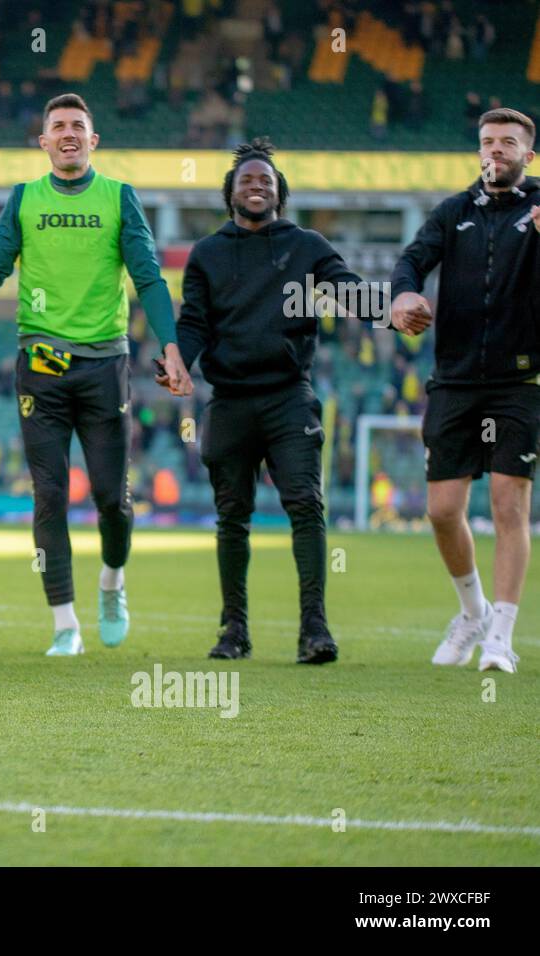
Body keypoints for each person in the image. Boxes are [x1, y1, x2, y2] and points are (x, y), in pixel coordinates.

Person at [0, 93, 191, 657]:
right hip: (40, 366)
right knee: (49, 497)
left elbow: (149, 279)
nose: (68, 133)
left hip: (106, 365)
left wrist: (172, 347)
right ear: (44, 141)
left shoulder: (120, 198)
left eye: (79, 125)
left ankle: (112, 582)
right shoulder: (24, 199)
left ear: (94, 139)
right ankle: (64, 623)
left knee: (113, 500)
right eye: (57, 126)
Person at [166, 137, 381, 664]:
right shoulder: (208, 253)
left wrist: (391, 307)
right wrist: (178, 359)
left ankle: (315, 630)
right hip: (230, 401)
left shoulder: (305, 245)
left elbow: (348, 288)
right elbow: (193, 320)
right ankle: (233, 631)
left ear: (279, 193)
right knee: (231, 517)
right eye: (247, 180)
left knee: (306, 507)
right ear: (230, 194)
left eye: (266, 180)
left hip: (289, 398)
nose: (257, 185)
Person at [391, 107, 540, 674]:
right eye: (487, 141)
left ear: (528, 153)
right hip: (453, 379)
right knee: (442, 510)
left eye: (507, 142)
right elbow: (411, 260)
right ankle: (473, 612)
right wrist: (404, 296)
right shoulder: (454, 212)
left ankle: (501, 637)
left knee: (508, 503)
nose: (495, 150)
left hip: (518, 381)